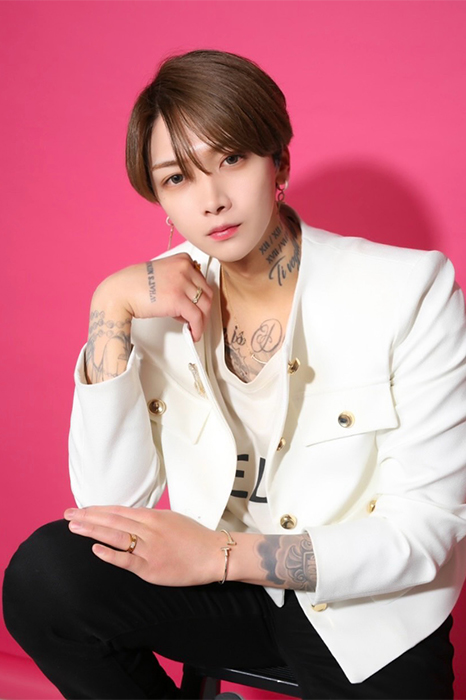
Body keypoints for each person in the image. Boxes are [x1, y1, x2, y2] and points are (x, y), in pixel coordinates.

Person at [3, 49, 466, 700]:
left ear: (280, 162)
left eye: (231, 159)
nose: (213, 200)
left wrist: (220, 556)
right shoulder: (155, 300)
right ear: (160, 200)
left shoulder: (410, 291)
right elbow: (110, 510)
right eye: (177, 178)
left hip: (360, 607)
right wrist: (109, 307)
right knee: (50, 573)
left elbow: (425, 532)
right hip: (221, 593)